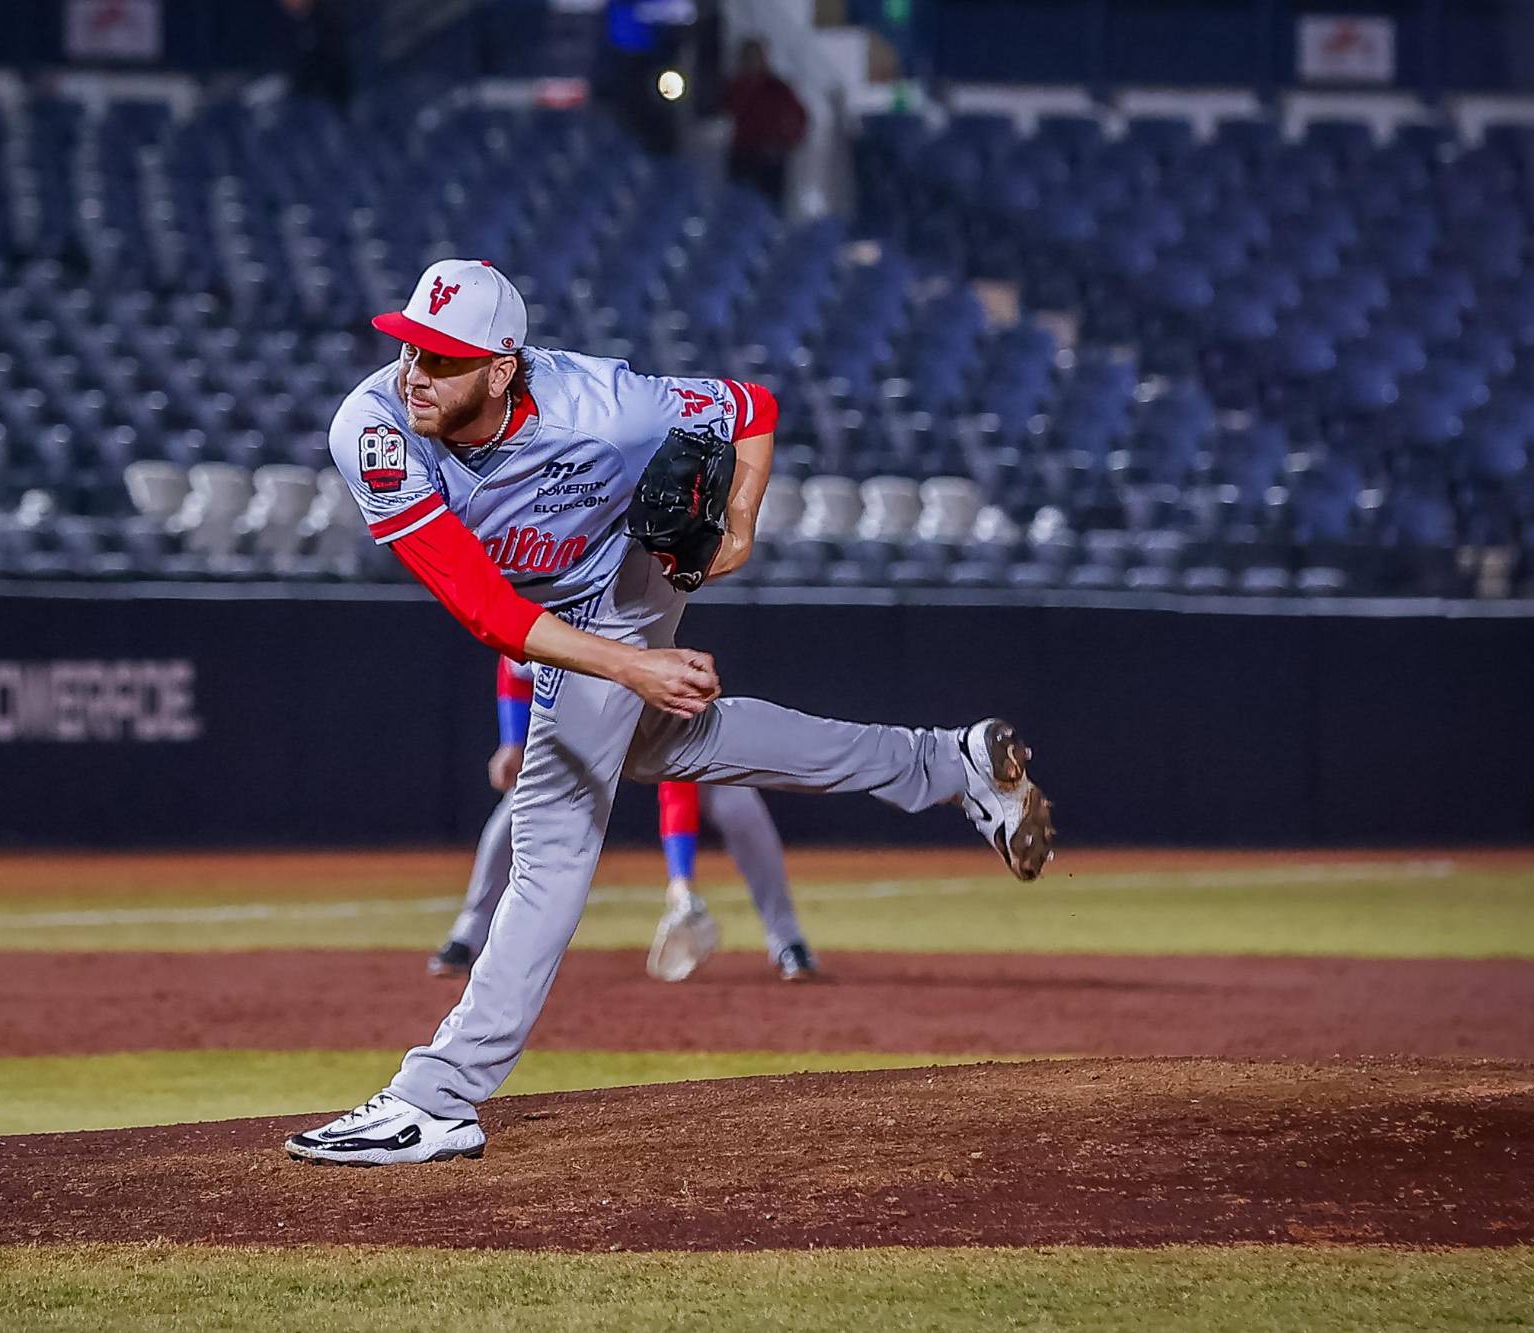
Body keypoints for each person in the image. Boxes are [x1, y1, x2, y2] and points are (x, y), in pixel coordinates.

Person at [285, 258, 1053, 1167]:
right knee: (675, 744)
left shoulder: (609, 407)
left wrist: (740, 525)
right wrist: (633, 672)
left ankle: (439, 1097)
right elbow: (483, 609)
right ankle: (950, 763)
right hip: (554, 609)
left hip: (626, 577)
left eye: (443, 358)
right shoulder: (373, 428)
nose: (415, 372)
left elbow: (751, 408)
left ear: (501, 369)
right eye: (411, 347)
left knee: (552, 833)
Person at [428, 657, 818, 985]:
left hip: (661, 735)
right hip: (586, 742)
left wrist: (680, 879)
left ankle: (787, 939)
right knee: (515, 811)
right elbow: (514, 668)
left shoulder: (646, 650)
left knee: (739, 808)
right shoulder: (559, 618)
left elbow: (677, 785)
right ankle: (469, 932)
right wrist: (513, 741)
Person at [724, 37, 808, 205]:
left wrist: (788, 141)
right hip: (743, 154)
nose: (751, 62)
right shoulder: (733, 87)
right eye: (748, 57)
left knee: (770, 204)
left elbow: (800, 115)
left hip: (770, 157)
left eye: (755, 57)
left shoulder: (777, 88)